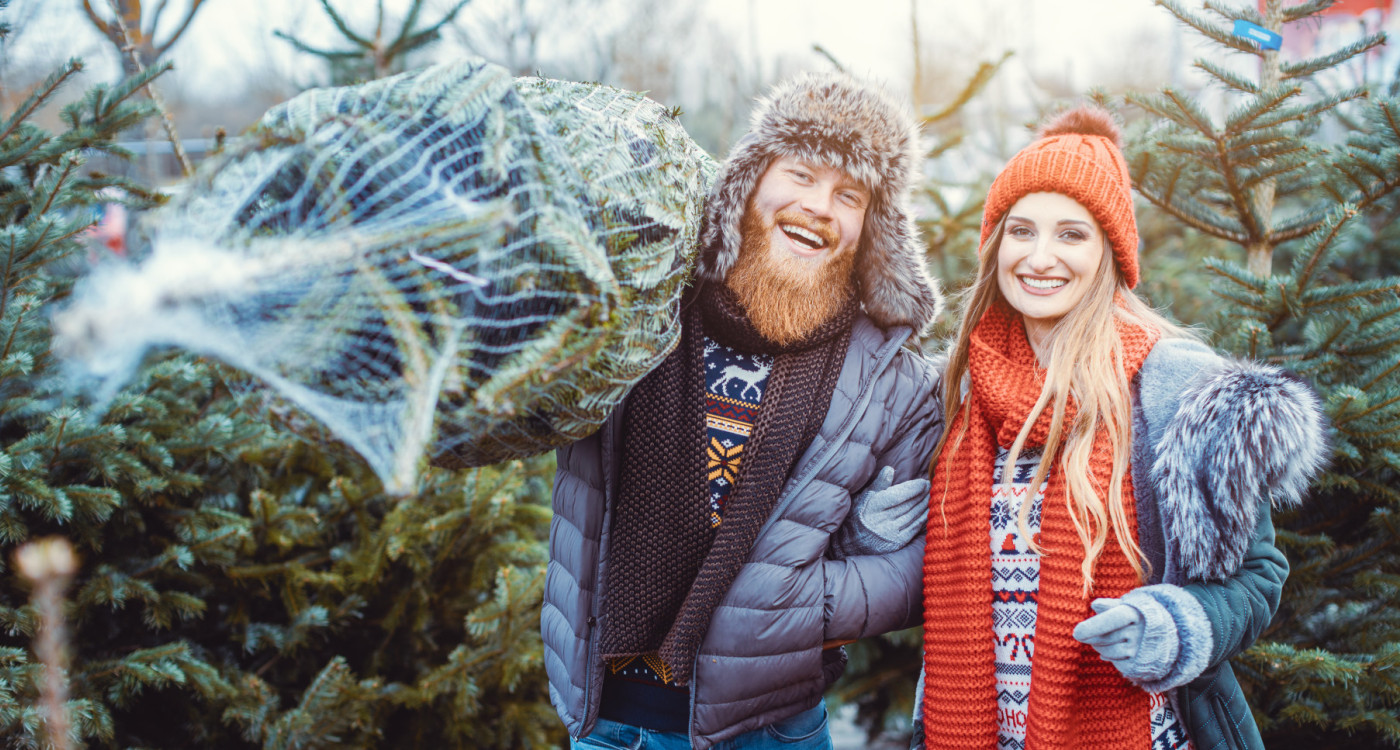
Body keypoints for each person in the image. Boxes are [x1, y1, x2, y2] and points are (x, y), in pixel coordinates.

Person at [542, 72, 946, 749]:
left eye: (849, 195)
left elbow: (918, 565)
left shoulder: (890, 379)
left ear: (872, 228)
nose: (819, 206)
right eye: (801, 175)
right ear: (750, 180)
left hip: (776, 728)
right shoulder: (643, 306)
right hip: (610, 720)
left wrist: (807, 599)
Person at [914, 107, 1329, 750]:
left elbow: (1257, 575)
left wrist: (1175, 625)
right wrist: (879, 532)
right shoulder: (961, 388)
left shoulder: (1173, 389)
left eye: (1071, 234)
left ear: (1109, 251)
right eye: (1021, 230)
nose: (1040, 257)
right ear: (995, 244)